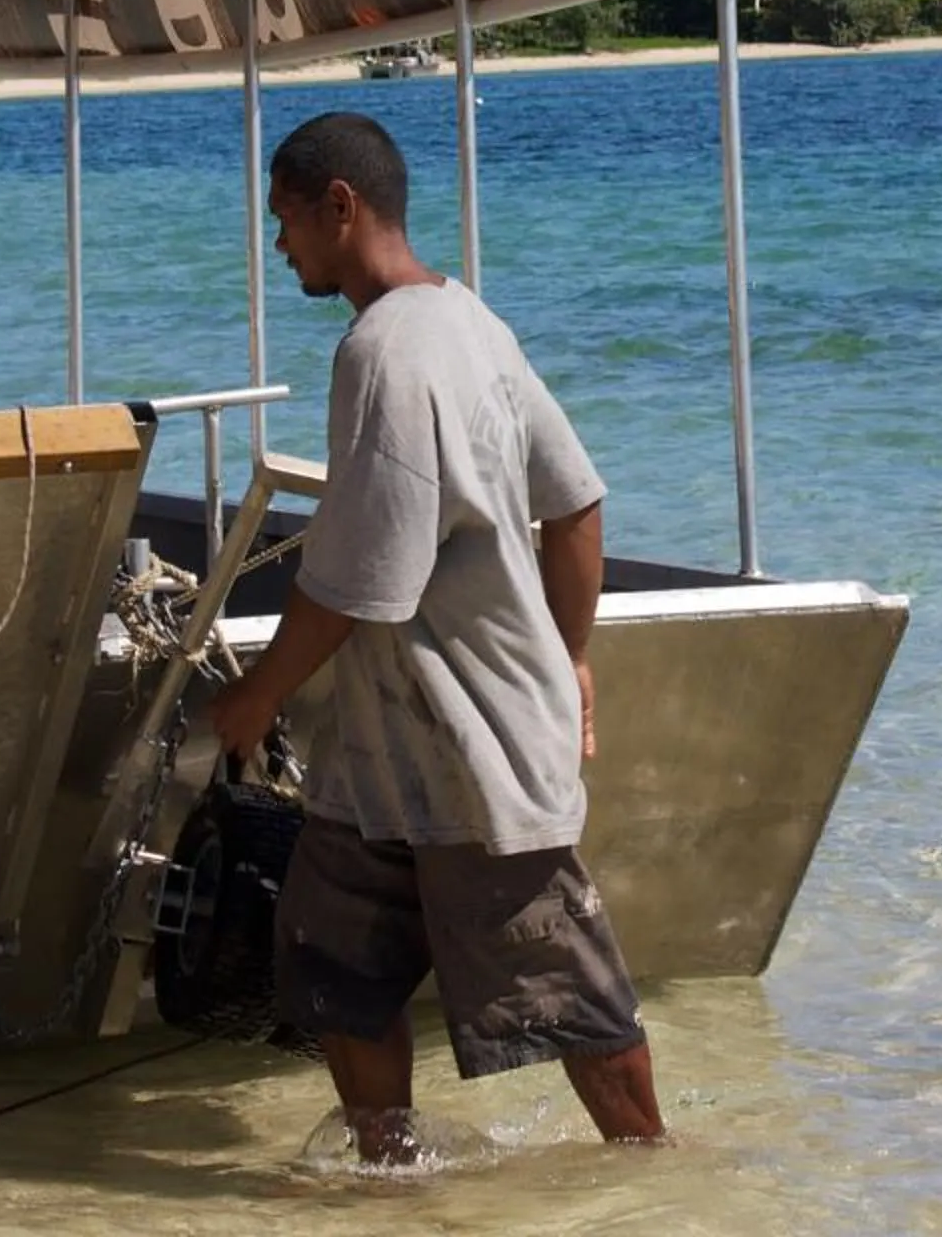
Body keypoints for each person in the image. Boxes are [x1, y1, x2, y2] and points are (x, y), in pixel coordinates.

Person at [206, 111, 664, 1161]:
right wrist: (569, 656)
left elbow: (358, 585)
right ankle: (393, 1176)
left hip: (472, 753)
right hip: (383, 761)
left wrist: (257, 695)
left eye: (286, 220)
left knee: (572, 998)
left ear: (340, 206)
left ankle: (659, 1182)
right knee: (335, 964)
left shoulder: (381, 352)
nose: (279, 245)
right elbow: (577, 507)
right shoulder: (474, 323)